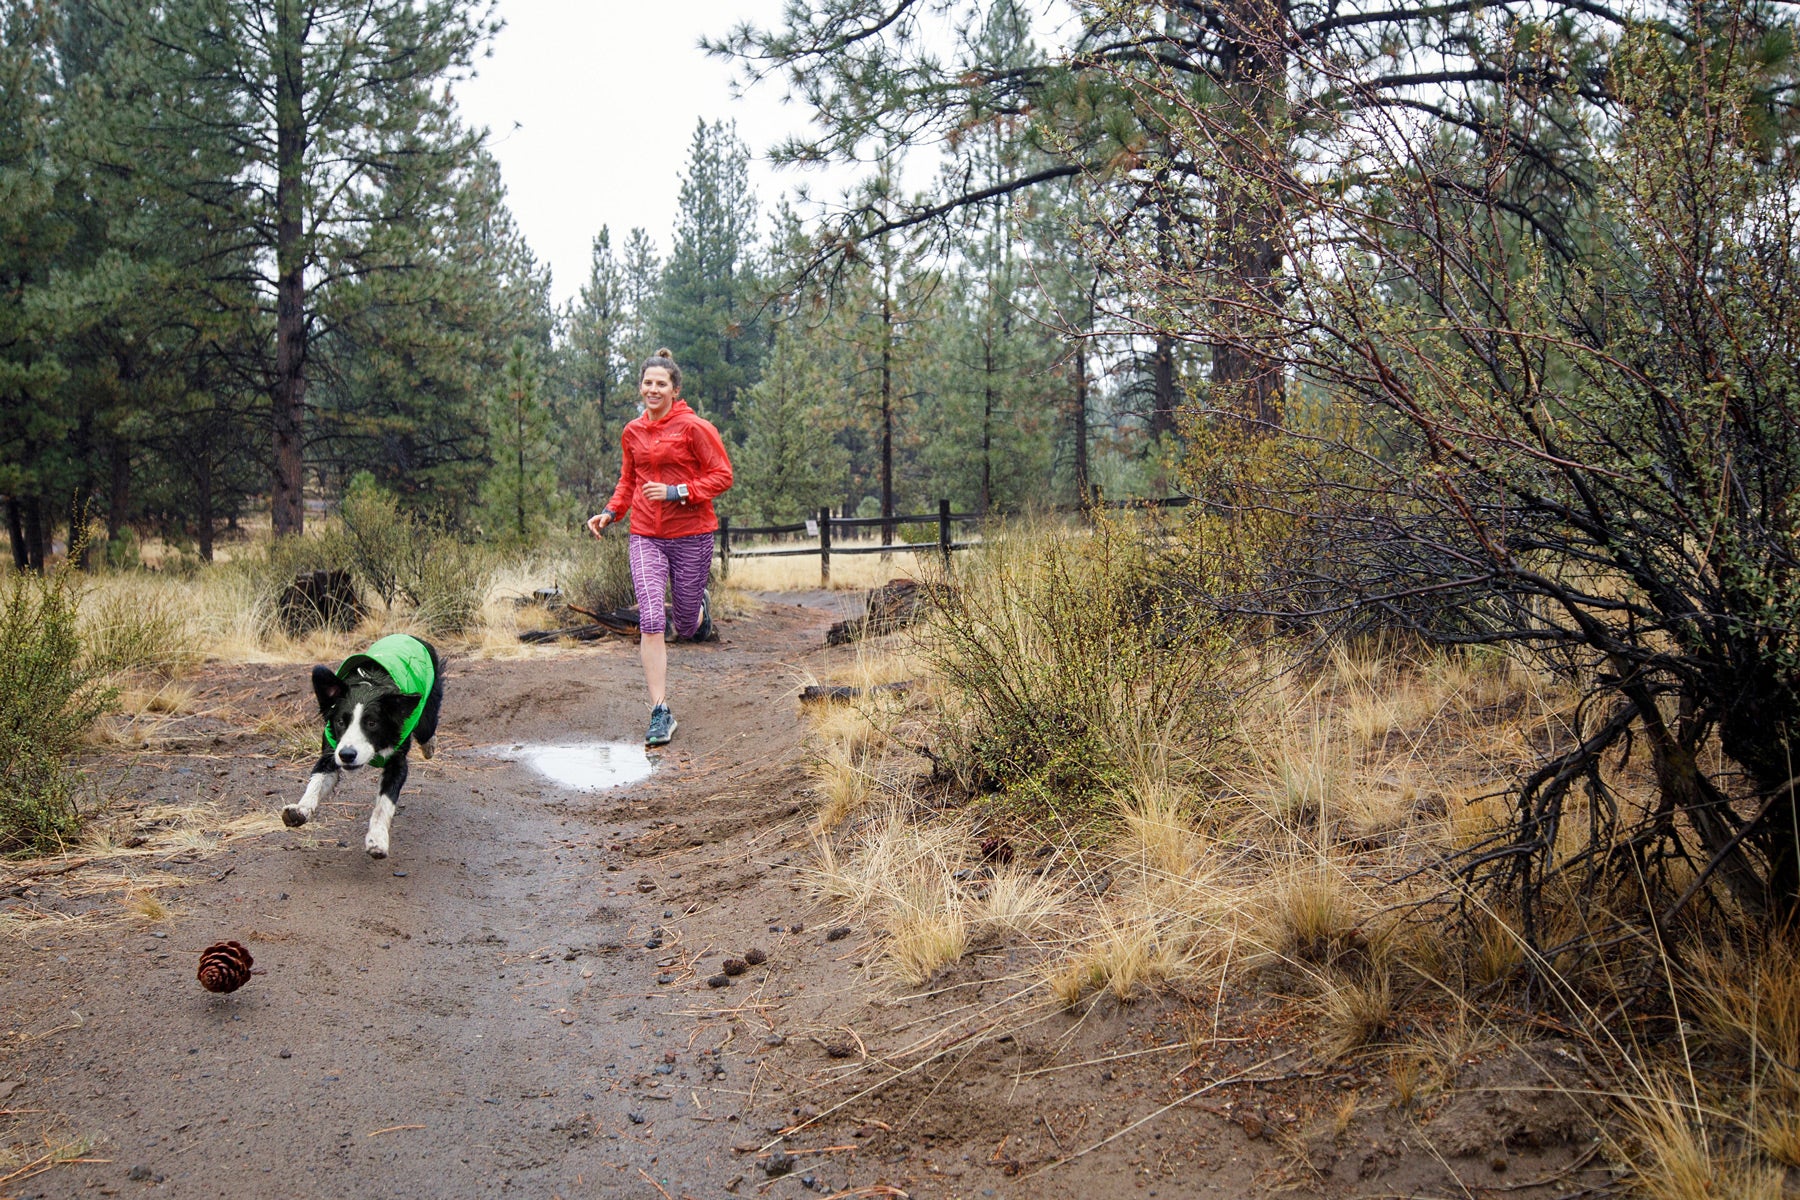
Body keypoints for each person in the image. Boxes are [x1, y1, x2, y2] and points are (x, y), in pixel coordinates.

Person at [587, 349, 733, 746]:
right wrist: (610, 512)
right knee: (651, 619)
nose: (653, 389)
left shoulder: (695, 428)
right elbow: (628, 481)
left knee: (684, 627)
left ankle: (698, 611)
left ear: (675, 389)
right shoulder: (632, 431)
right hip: (646, 534)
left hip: (692, 534)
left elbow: (722, 476)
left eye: (661, 383)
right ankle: (659, 711)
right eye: (647, 383)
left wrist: (678, 491)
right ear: (641, 387)